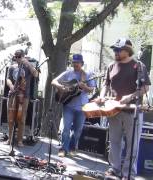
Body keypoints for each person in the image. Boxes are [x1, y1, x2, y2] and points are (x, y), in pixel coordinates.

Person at [96, 38, 150, 180]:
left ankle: (128, 174)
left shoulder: (138, 66)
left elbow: (145, 87)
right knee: (114, 142)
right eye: (114, 49)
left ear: (128, 50)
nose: (115, 52)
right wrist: (102, 96)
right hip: (113, 110)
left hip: (132, 112)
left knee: (132, 146)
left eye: (118, 49)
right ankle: (115, 170)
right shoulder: (111, 66)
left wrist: (131, 96)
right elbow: (105, 85)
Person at [52, 54, 96, 157]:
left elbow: (91, 89)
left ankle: (72, 148)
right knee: (66, 128)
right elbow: (53, 81)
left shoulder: (88, 74)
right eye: (74, 62)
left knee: (78, 131)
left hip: (82, 107)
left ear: (82, 63)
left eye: (78, 62)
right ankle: (63, 149)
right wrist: (61, 87)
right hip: (69, 106)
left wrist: (84, 86)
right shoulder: (67, 73)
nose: (76, 64)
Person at [6, 49, 38, 147]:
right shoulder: (12, 67)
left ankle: (20, 140)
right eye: (16, 56)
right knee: (11, 117)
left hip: (24, 95)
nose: (18, 58)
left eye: (20, 56)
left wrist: (27, 63)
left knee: (21, 118)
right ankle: (10, 138)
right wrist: (11, 86)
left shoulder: (28, 67)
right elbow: (8, 79)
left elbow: (35, 74)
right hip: (13, 94)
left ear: (23, 56)